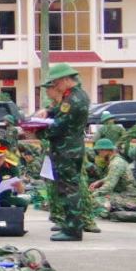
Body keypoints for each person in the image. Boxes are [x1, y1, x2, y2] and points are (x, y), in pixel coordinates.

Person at [36, 64, 89, 241]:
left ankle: (73, 229)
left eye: (57, 82)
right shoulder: (73, 96)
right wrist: (48, 111)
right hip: (69, 148)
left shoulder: (73, 100)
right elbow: (58, 112)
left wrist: (36, 130)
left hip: (68, 149)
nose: (56, 86)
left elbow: (59, 126)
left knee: (69, 188)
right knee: (66, 187)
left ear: (66, 80)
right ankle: (70, 225)